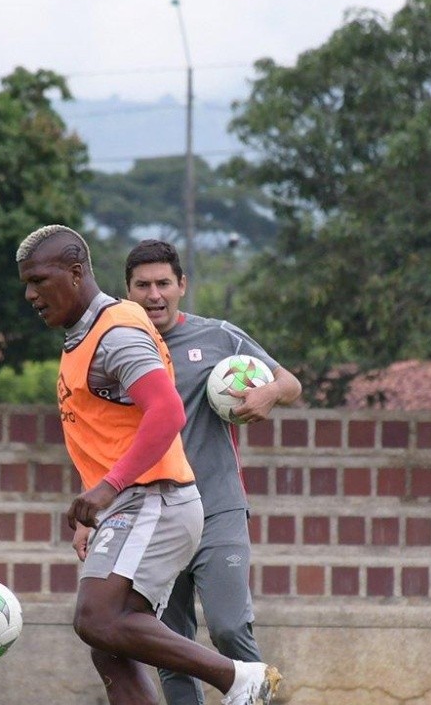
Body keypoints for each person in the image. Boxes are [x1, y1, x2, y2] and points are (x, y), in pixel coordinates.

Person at [16, 224, 282, 705]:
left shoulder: (117, 333)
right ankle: (238, 677)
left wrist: (106, 489)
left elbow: (168, 412)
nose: (31, 294)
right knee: (109, 639)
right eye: (26, 284)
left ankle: (238, 677)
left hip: (156, 498)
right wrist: (95, 501)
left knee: (106, 619)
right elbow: (106, 432)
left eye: (38, 280)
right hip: (133, 503)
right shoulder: (86, 334)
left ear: (76, 274)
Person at [124, 239, 302, 705]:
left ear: (182, 285)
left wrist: (266, 395)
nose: (154, 294)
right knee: (170, 647)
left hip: (217, 508)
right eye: (143, 285)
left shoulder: (219, 336)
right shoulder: (119, 351)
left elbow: (290, 383)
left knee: (228, 627)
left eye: (164, 283)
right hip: (153, 515)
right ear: (128, 292)